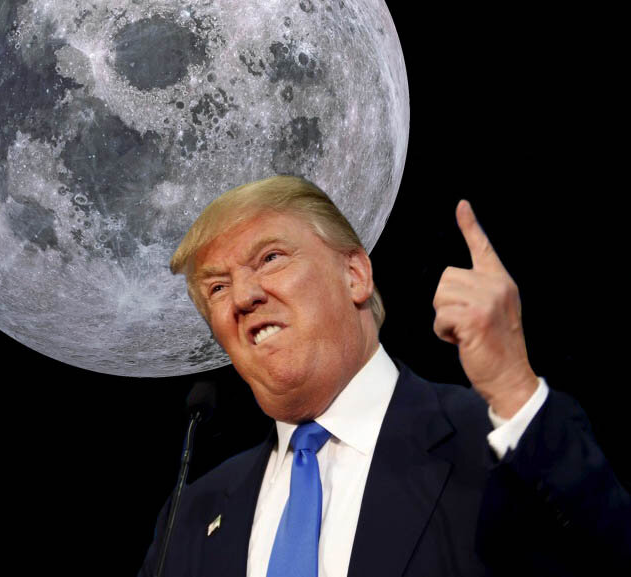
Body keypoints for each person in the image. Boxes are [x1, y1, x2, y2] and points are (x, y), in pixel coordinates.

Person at [139, 175, 630, 576]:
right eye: (217, 287)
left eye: (270, 258)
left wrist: (512, 387)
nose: (244, 297)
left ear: (355, 274)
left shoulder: (493, 440)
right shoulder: (191, 514)